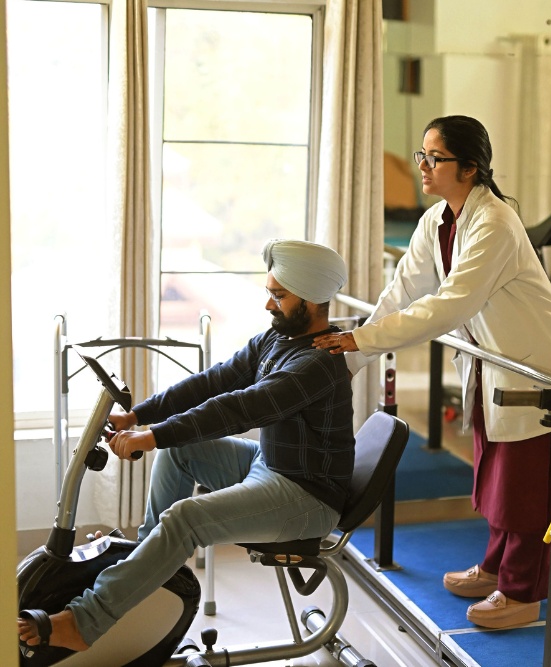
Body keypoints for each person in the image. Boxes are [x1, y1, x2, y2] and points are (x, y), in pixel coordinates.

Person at [313, 115, 551, 629]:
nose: (422, 166)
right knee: (498, 477)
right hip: (494, 367)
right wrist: (351, 357)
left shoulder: (496, 223)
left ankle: (523, 593)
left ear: (470, 167)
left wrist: (361, 342)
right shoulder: (437, 219)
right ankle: (496, 567)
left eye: (434, 158)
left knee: (526, 489)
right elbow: (402, 292)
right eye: (423, 155)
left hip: (535, 372)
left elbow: (449, 305)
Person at [18, 239, 354, 654]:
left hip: (307, 496)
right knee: (181, 452)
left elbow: (239, 408)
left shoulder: (319, 362)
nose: (269, 304)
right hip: (270, 463)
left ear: (311, 298)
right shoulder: (276, 339)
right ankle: (145, 561)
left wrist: (152, 435)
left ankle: (85, 622)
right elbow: (213, 382)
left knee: (187, 518)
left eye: (279, 296)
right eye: (270, 293)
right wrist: (137, 416)